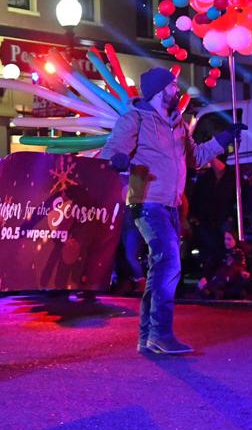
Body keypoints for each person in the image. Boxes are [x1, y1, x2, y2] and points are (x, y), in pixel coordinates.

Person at [99, 65, 243, 356]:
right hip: (146, 202)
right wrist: (117, 160)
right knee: (169, 264)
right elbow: (110, 153)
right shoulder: (135, 120)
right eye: (173, 85)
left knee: (160, 269)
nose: (177, 89)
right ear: (158, 90)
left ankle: (148, 337)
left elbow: (197, 158)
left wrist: (225, 138)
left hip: (172, 205)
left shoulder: (177, 124)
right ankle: (161, 335)